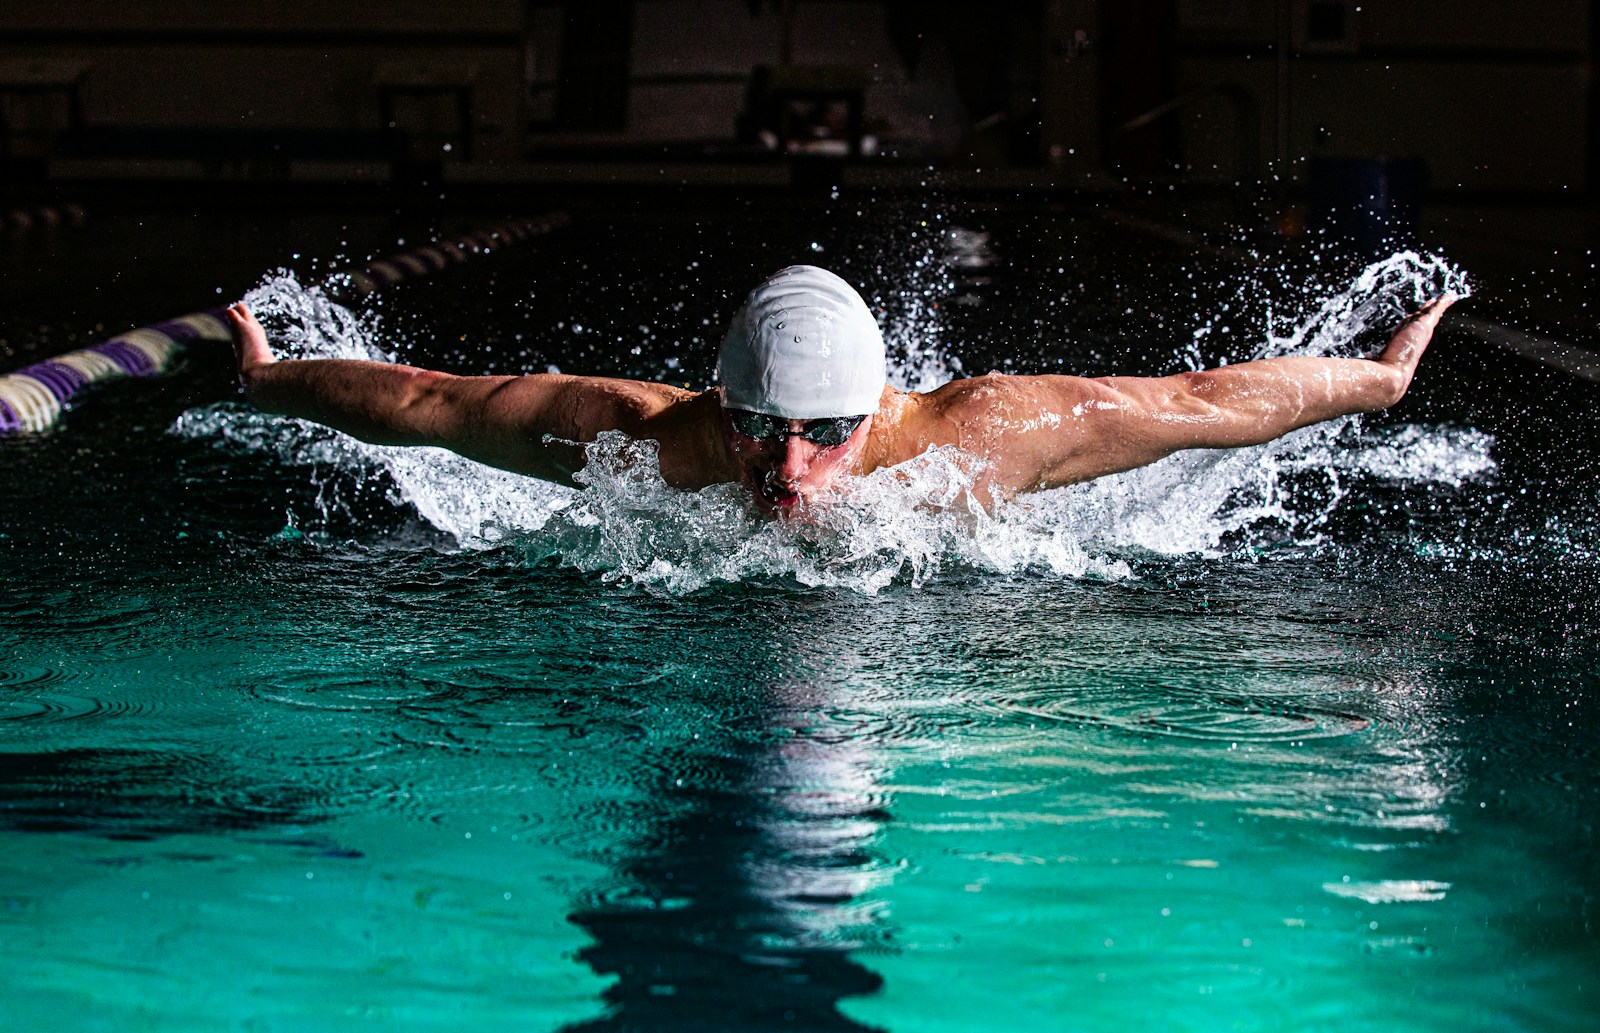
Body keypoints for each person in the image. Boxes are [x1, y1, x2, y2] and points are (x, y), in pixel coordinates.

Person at [228, 264, 1457, 516]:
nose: (791, 473)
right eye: (763, 434)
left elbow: (1200, 402)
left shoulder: (981, 437)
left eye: (825, 438)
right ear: (724, 406)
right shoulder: (650, 442)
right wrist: (277, 380)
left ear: (877, 412)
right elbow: (429, 402)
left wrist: (1379, 382)